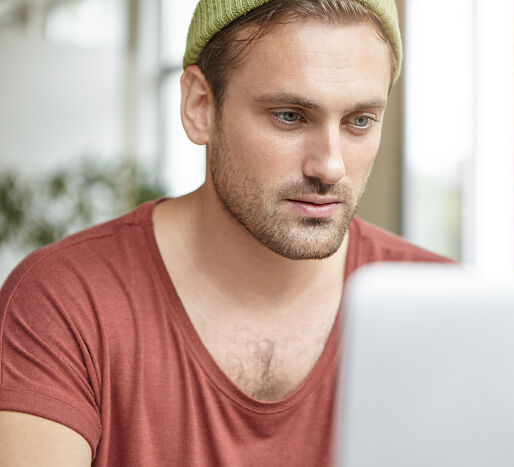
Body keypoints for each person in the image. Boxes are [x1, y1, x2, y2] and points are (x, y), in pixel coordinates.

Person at [0, 0, 452, 465]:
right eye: (289, 116)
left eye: (359, 120)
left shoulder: (443, 305)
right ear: (200, 106)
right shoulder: (63, 303)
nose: (330, 166)